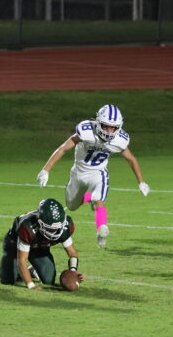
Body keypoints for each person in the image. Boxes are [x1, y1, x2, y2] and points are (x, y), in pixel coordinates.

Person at [37, 104, 149, 249]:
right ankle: (88, 197)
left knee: (98, 199)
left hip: (98, 173)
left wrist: (141, 182)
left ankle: (101, 229)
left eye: (113, 128)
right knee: (71, 206)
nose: (109, 131)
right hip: (78, 172)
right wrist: (45, 170)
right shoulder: (86, 131)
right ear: (98, 122)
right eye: (106, 126)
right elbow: (63, 148)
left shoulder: (119, 140)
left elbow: (131, 159)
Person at [0, 198, 83, 290]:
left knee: (48, 280)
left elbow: (72, 253)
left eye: (58, 228)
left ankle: (32, 271)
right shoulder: (27, 227)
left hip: (39, 247)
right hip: (15, 245)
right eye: (50, 229)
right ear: (39, 222)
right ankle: (9, 272)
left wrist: (73, 271)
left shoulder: (66, 226)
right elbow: (22, 260)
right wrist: (31, 285)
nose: (54, 232)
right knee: (8, 280)